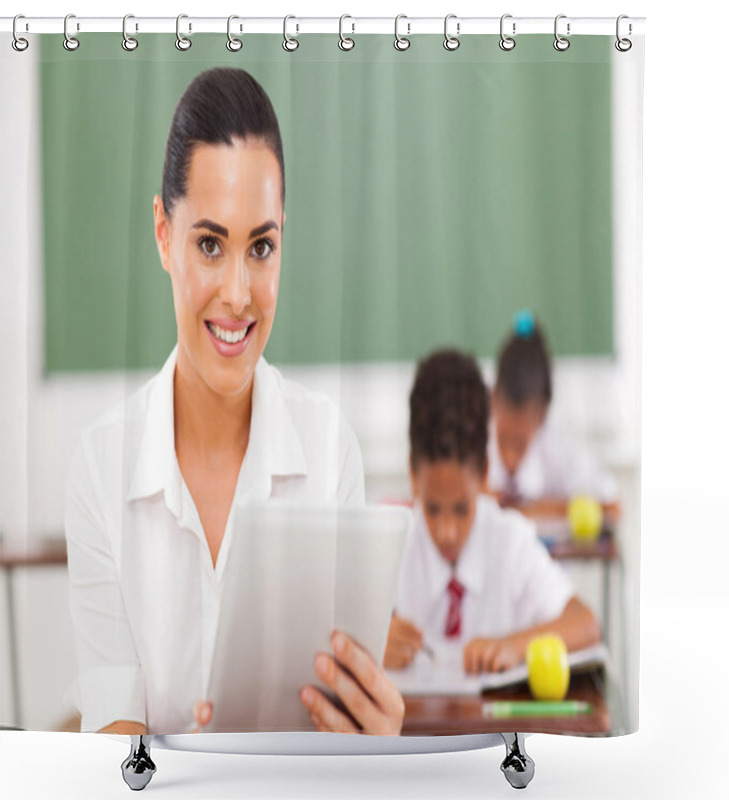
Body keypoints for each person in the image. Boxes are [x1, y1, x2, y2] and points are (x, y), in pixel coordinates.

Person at [64, 67, 404, 736]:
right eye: (211, 245)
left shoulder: (329, 448)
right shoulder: (101, 468)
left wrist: (375, 748)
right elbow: (114, 749)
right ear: (164, 233)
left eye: (262, 247)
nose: (239, 293)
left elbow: (336, 741)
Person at [384, 349, 600, 674]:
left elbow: (586, 624)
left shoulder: (510, 541)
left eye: (460, 509)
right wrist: (372, 643)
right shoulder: (388, 544)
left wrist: (513, 645)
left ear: (485, 474)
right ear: (412, 476)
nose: (447, 532)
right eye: (432, 508)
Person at [488, 310, 619, 520]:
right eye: (503, 439)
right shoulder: (472, 439)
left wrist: (525, 509)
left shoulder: (558, 448)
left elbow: (612, 506)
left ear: (541, 416)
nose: (510, 457)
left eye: (520, 443)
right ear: (492, 399)